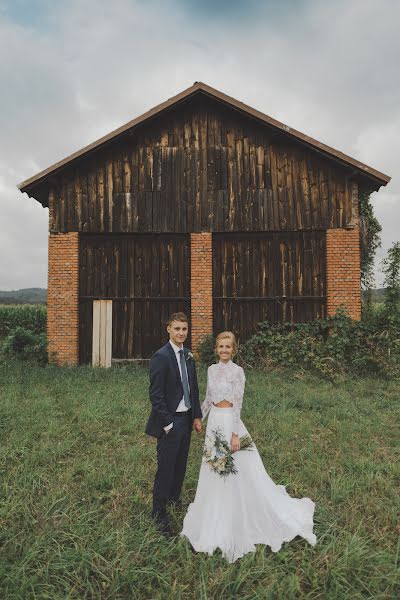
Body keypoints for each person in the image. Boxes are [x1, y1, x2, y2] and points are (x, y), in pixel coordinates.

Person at [181, 331, 317, 562]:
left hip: (229, 423)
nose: (224, 350)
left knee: (237, 469)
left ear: (233, 350)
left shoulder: (238, 372)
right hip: (214, 421)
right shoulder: (211, 370)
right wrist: (198, 418)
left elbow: (238, 405)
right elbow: (207, 399)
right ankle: (215, 509)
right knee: (215, 467)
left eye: (228, 347)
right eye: (220, 347)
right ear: (216, 349)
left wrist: (235, 434)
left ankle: (238, 511)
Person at [145, 312, 202, 535]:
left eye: (184, 329)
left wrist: (196, 416)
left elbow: (193, 388)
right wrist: (167, 423)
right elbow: (156, 394)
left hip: (186, 419)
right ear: (168, 329)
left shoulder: (188, 355)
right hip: (170, 423)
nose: (181, 333)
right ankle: (158, 513)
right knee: (166, 468)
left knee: (180, 465)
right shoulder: (161, 356)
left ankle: (174, 500)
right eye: (177, 328)